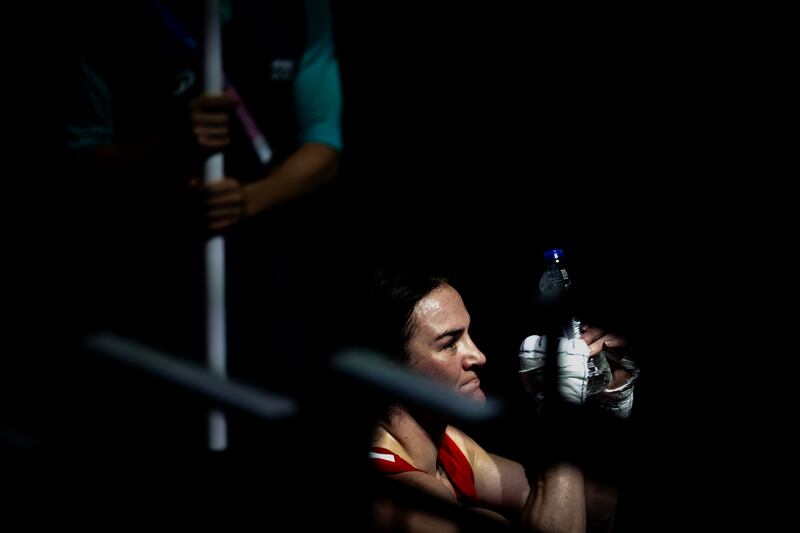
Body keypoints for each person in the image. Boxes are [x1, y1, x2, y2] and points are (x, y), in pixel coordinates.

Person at [365, 271, 639, 531]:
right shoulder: (397, 497)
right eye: (449, 344)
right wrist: (559, 423)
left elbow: (589, 512)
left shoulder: (450, 446)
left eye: (468, 335)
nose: (479, 356)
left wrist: (607, 399)